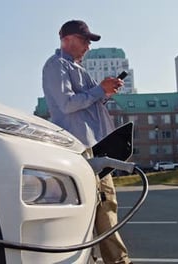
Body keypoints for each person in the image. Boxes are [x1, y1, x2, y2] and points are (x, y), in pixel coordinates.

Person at [42, 20, 132, 264]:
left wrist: (105, 93)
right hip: (78, 147)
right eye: (85, 41)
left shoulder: (78, 69)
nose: (88, 47)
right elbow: (67, 104)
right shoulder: (56, 66)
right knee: (97, 206)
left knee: (106, 204)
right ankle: (118, 261)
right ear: (67, 39)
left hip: (94, 146)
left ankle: (114, 260)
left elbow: (87, 105)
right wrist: (99, 91)